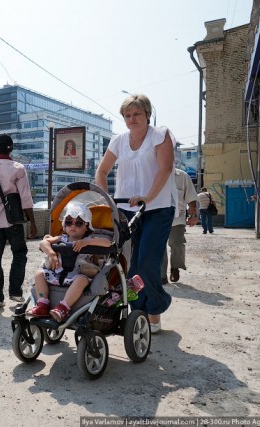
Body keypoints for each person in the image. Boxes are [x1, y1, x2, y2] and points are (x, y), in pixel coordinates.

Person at [94, 93, 176, 334]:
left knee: (149, 262)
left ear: (147, 114)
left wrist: (148, 196)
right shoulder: (119, 141)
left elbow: (166, 167)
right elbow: (102, 171)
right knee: (129, 266)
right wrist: (106, 198)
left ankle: (155, 310)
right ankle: (138, 313)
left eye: (136, 114)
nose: (131, 119)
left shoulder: (160, 135)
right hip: (126, 209)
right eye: (127, 115)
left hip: (157, 208)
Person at [0, 134, 38, 309]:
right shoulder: (18, 168)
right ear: (11, 149)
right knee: (19, 254)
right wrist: (32, 223)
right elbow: (25, 198)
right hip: (14, 221)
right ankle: (15, 292)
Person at [28, 203, 112, 322]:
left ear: (87, 226)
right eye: (69, 222)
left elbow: (108, 242)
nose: (73, 226)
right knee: (39, 274)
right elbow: (43, 243)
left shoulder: (89, 240)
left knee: (81, 280)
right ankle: (42, 304)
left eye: (78, 223)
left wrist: (86, 243)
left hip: (78, 276)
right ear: (64, 225)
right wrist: (52, 255)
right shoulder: (61, 238)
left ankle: (63, 308)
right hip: (59, 274)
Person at [161, 169, 198, 284]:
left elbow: (191, 198)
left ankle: (175, 268)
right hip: (158, 218)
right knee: (160, 247)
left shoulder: (182, 176)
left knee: (176, 243)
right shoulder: (153, 173)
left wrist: (193, 215)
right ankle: (161, 275)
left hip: (177, 218)